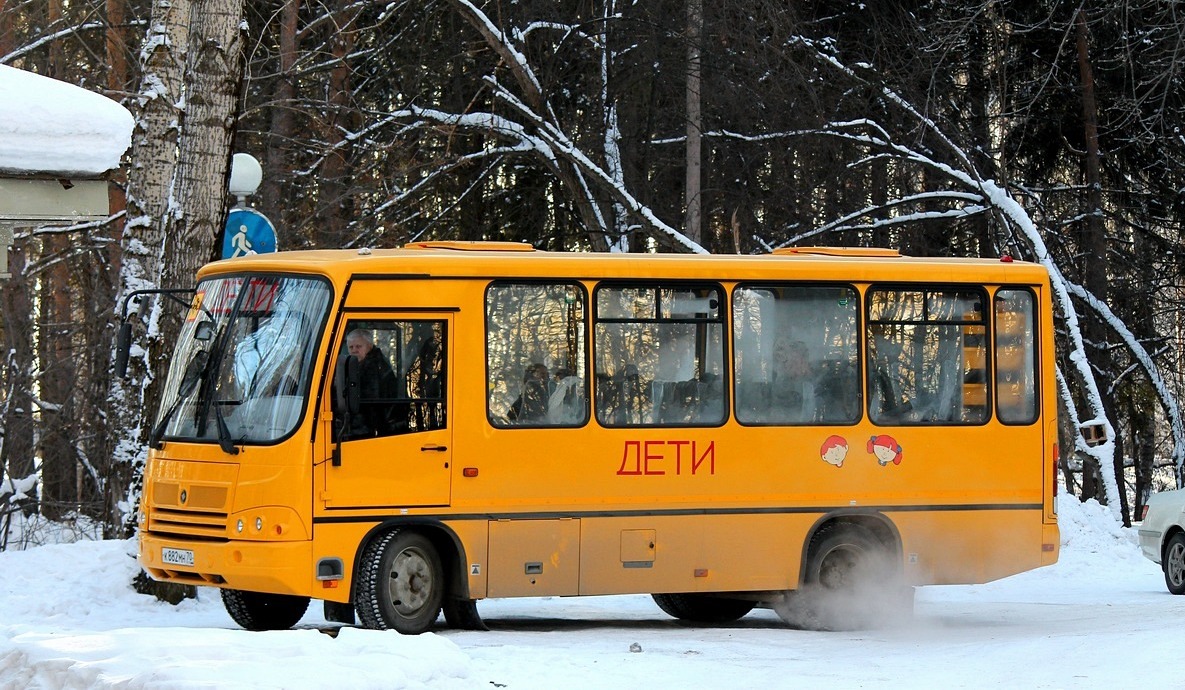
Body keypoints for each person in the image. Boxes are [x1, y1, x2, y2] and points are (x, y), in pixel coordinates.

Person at [345, 329, 399, 436]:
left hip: (370, 429)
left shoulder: (373, 367)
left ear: (369, 346)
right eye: (351, 347)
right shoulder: (359, 365)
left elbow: (370, 402)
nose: (354, 350)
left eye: (358, 346)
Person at [770, 338, 815, 422]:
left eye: (804, 361)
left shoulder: (808, 388)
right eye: (795, 362)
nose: (803, 367)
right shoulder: (774, 388)